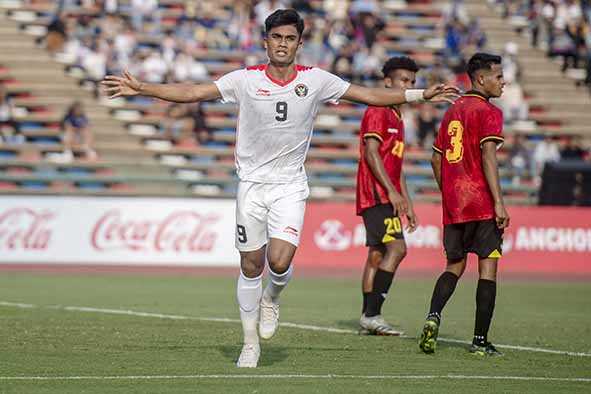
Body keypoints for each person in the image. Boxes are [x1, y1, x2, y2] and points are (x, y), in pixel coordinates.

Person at [102, 9, 458, 368]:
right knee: (251, 264)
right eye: (276, 37)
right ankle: (249, 344)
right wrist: (142, 87)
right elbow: (194, 91)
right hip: (252, 186)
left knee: (279, 261)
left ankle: (272, 298)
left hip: (289, 186)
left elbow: (368, 95)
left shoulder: (317, 80)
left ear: (300, 44)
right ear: (266, 41)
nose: (282, 44)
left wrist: (419, 96)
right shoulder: (245, 79)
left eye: (289, 38)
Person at [418, 53, 510, 357]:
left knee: (454, 266)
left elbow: (435, 157)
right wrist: (498, 202)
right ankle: (480, 342)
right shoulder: (488, 111)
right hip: (482, 201)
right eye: (498, 76)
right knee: (488, 269)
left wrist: (449, 192)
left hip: (455, 203)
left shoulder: (453, 110)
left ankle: (433, 316)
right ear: (481, 79)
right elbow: (487, 156)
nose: (503, 81)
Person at [356, 56, 420, 336]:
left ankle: (367, 316)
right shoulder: (378, 110)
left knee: (377, 255)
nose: (408, 86)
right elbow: (371, 153)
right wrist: (392, 193)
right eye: (404, 81)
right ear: (388, 82)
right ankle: (373, 314)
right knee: (398, 249)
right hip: (376, 194)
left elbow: (397, 164)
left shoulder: (398, 116)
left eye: (412, 82)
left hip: (388, 194)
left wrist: (408, 202)